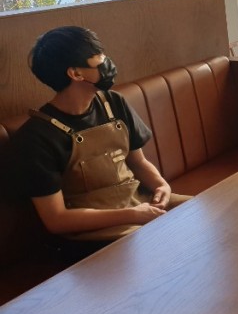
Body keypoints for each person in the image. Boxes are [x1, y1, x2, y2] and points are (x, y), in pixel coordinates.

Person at [12, 26, 190, 258]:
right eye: (99, 56)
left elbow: (138, 162)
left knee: (207, 212)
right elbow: (56, 220)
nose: (107, 61)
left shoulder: (113, 103)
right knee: (172, 249)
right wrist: (132, 215)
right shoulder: (37, 137)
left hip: (140, 203)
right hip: (93, 234)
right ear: (76, 73)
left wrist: (161, 186)